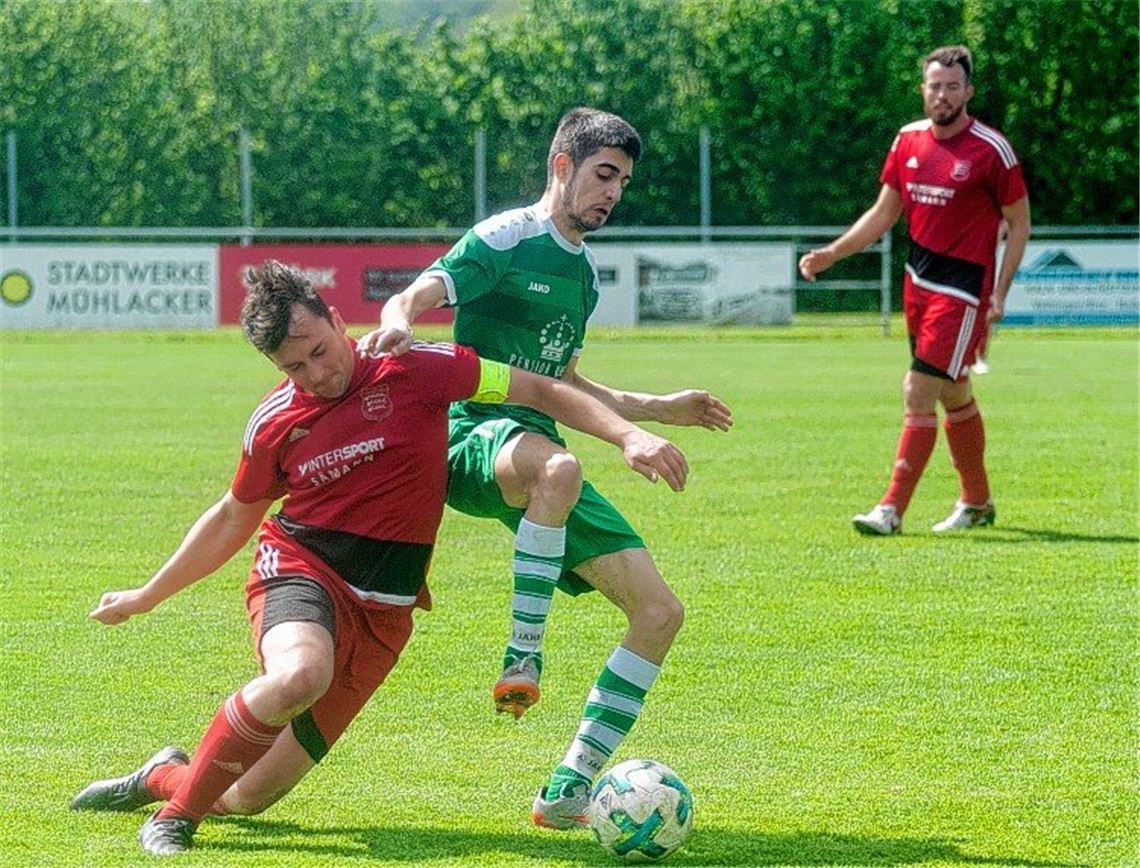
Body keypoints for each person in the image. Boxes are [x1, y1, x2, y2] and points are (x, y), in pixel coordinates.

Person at [69, 260, 691, 856]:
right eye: (294, 367)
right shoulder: (276, 422)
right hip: (304, 568)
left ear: (339, 321)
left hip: (386, 613)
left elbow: (539, 389)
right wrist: (147, 595)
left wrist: (629, 433)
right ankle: (174, 820)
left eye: (320, 350)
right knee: (299, 676)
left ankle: (162, 777)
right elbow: (235, 515)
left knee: (246, 797)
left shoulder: (415, 366)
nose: (317, 374)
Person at [357, 107, 733, 829]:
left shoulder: (583, 274)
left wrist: (657, 408)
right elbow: (416, 293)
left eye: (623, 182)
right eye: (604, 175)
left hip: (538, 445)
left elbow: (563, 383)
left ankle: (568, 788)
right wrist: (399, 320)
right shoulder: (508, 236)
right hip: (470, 433)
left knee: (659, 613)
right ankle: (523, 655)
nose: (614, 193)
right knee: (560, 470)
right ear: (562, 166)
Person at [799, 45, 1030, 535]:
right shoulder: (907, 140)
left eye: (952, 87)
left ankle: (891, 510)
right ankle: (978, 503)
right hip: (918, 279)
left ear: (968, 92)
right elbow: (884, 212)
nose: (942, 95)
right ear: (923, 89)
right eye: (934, 86)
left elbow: (1019, 223)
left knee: (918, 389)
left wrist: (1000, 292)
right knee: (954, 392)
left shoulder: (991, 150)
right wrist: (833, 253)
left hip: (962, 289)